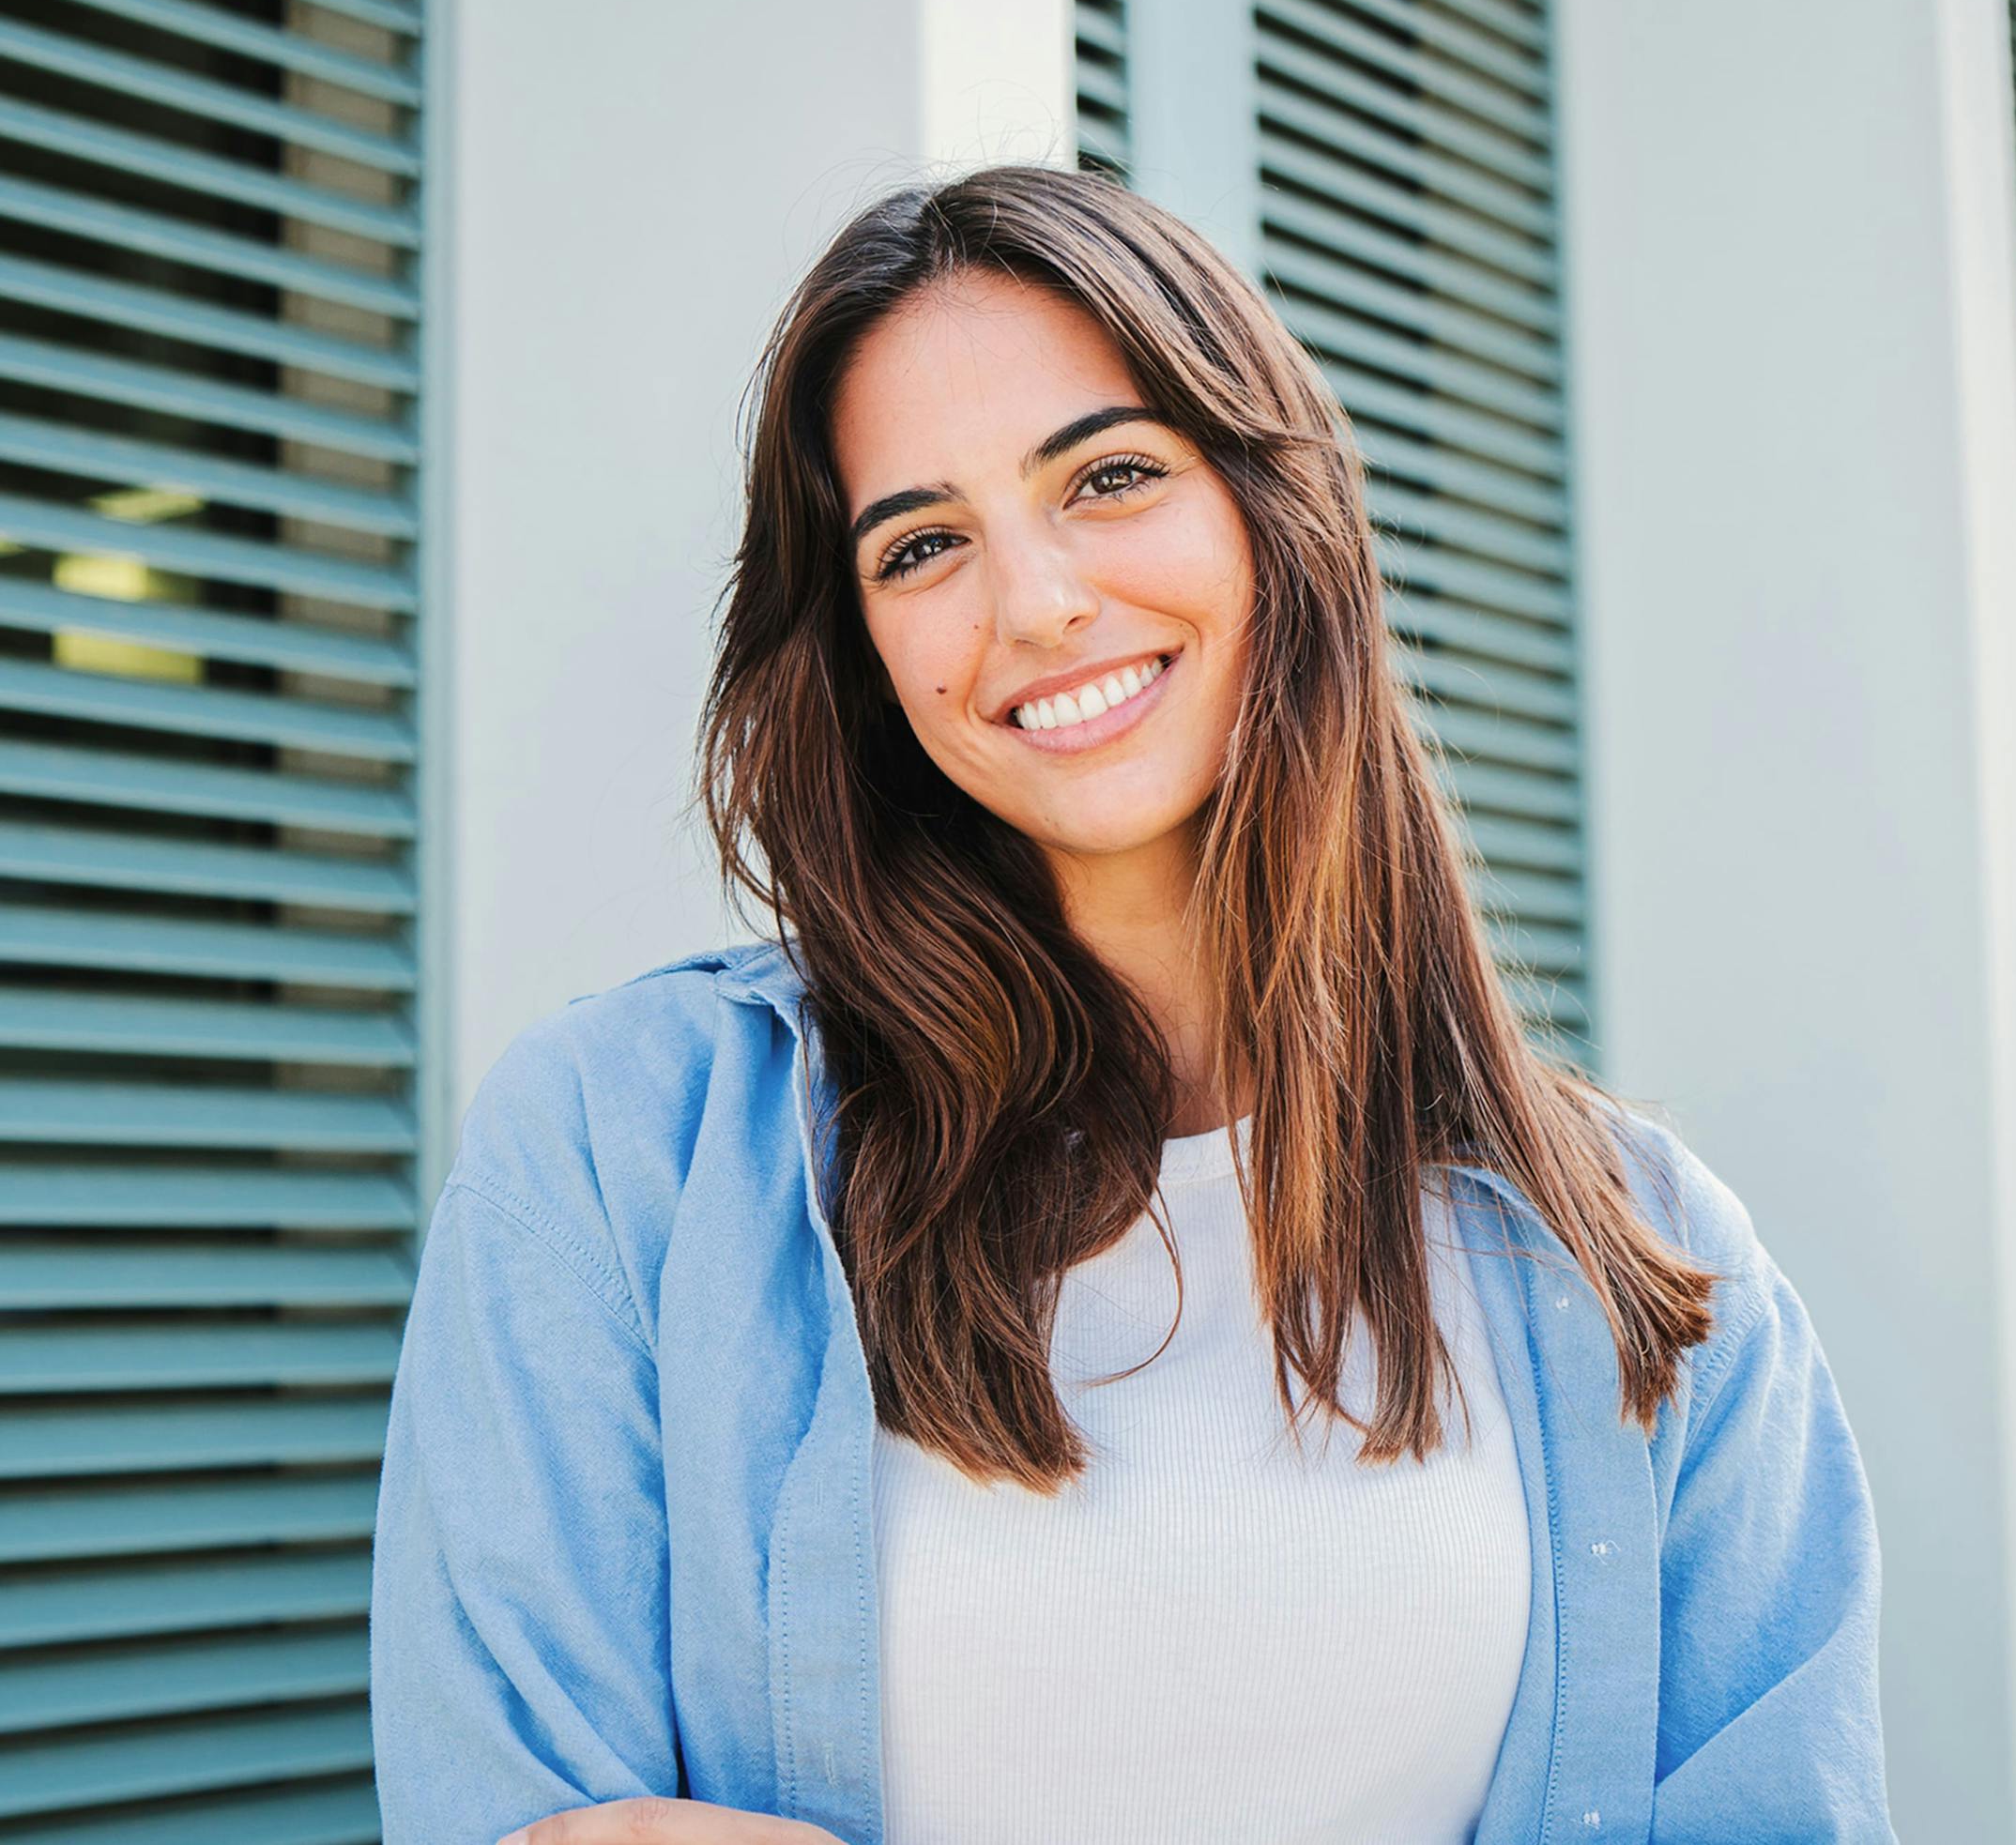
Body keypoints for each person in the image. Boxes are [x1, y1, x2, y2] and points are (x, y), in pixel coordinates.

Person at [369, 163, 1896, 1845]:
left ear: (1273, 509)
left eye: (1107, 476)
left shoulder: (1648, 1264)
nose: (1033, 604)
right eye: (924, 543)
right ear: (861, 640)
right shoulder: (615, 1155)